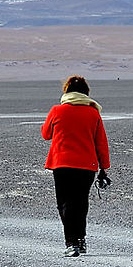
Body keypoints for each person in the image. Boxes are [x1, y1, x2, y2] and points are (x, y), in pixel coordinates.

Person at [41, 75, 110, 257]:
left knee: (64, 204)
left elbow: (46, 134)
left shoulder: (57, 111)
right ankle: (80, 239)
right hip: (87, 166)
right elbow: (101, 142)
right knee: (80, 203)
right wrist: (104, 167)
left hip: (62, 164)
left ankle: (72, 242)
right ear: (86, 92)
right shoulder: (93, 113)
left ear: (66, 91)